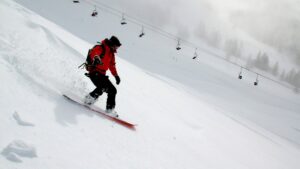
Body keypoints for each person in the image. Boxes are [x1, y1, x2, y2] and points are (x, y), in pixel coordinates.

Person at [84, 36, 122, 116]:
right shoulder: (101, 47)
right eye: (116, 46)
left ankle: (110, 109)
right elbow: (94, 53)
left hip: (102, 74)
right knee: (102, 87)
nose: (116, 48)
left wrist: (116, 76)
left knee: (113, 90)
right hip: (94, 72)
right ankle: (89, 99)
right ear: (112, 44)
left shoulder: (111, 54)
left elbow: (112, 66)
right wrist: (96, 58)